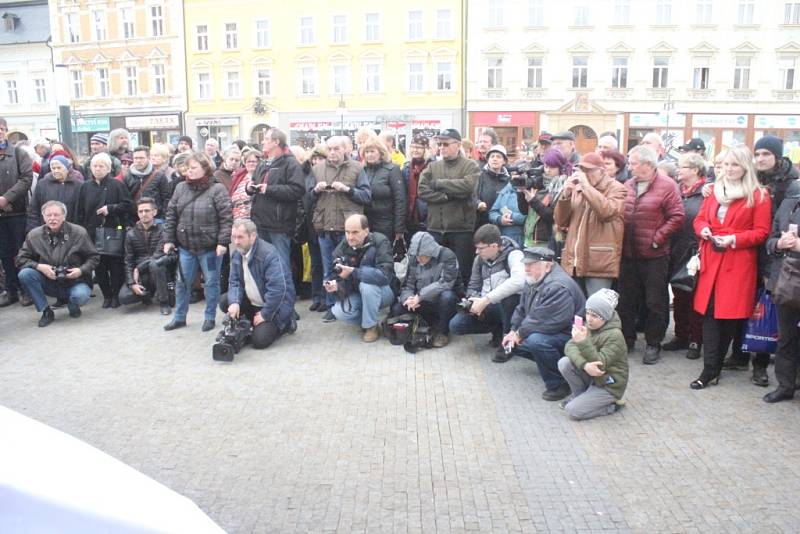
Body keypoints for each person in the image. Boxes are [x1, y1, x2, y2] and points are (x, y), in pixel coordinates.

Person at [690, 146, 771, 390]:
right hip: (712, 258)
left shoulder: (759, 195)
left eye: (734, 165)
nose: (729, 169)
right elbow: (700, 218)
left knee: (726, 317)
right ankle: (710, 369)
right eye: (725, 164)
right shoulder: (713, 191)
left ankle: (711, 369)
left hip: (737, 262)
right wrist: (703, 229)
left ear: (745, 166)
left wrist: (734, 239)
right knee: (710, 314)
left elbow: (761, 231)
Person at [722, 135, 799, 385]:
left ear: (777, 156)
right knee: (744, 305)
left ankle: (761, 364)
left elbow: (781, 222)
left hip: (775, 255)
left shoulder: (790, 184)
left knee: (766, 310)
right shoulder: (750, 177)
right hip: (750, 250)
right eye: (757, 154)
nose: (760, 158)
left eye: (766, 154)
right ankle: (740, 354)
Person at [617, 146, 684, 364]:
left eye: (633, 163)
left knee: (655, 301)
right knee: (626, 300)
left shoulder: (667, 186)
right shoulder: (628, 185)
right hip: (628, 253)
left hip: (655, 255)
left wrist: (657, 238)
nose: (629, 167)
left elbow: (677, 216)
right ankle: (627, 340)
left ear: (647, 164)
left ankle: (653, 343)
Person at [502, 247, 586, 401]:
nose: (526, 268)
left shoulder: (557, 286)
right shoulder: (533, 278)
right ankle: (553, 364)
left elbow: (547, 322)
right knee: (510, 343)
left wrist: (520, 334)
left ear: (547, 266)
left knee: (536, 341)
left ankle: (560, 384)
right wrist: (513, 330)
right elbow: (521, 309)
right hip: (551, 329)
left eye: (531, 264)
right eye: (525, 264)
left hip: (571, 334)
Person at [163, 153, 233, 332]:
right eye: (187, 168)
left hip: (209, 248)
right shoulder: (180, 188)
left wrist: (222, 242)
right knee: (182, 282)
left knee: (211, 283)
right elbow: (171, 215)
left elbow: (226, 218)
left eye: (193, 168)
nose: (189, 171)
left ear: (205, 168)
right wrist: (169, 239)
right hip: (186, 247)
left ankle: (209, 317)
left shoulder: (217, 190)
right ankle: (179, 317)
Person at [311, 136, 371, 322]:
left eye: (336, 148)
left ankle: (351, 303)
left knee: (349, 268)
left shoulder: (357, 168)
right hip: (324, 227)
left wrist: (347, 189)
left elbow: (367, 196)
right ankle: (331, 306)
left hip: (348, 229)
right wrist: (315, 191)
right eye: (329, 149)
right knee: (328, 269)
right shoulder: (318, 169)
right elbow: (306, 198)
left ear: (345, 149)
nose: (333, 152)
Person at [16, 200, 99, 326]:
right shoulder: (34, 235)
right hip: (49, 281)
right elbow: (20, 259)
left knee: (80, 295)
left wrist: (81, 270)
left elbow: (94, 257)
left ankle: (73, 305)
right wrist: (39, 266)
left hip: (76, 281)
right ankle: (46, 311)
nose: (52, 218)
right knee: (25, 274)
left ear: (64, 216)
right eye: (48, 215)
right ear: (43, 217)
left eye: (56, 215)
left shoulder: (79, 232)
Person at [555, 152, 627, 296]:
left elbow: (607, 212)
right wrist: (566, 195)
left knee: (597, 310)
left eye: (588, 170)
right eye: (582, 170)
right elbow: (560, 221)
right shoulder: (578, 189)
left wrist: (587, 188)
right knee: (576, 310)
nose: (584, 174)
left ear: (602, 171)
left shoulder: (617, 188)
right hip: (574, 260)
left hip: (599, 262)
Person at [449, 224, 524, 361]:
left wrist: (486, 300)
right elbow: (474, 285)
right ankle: (497, 328)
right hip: (487, 305)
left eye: (480, 248)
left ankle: (508, 343)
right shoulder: (479, 260)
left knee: (510, 300)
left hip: (509, 307)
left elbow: (519, 281)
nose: (477, 252)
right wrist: (473, 301)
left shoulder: (514, 255)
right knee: (456, 325)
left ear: (494, 246)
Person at [218, 219, 296, 350]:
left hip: (274, 308)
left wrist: (265, 314)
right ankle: (248, 324)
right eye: (234, 237)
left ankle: (286, 324)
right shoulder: (237, 254)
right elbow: (234, 281)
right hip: (253, 302)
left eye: (240, 237)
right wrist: (235, 302)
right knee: (225, 301)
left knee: (259, 341)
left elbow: (278, 290)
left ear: (253, 236)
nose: (236, 242)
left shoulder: (268, 255)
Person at [417, 128, 481, 284]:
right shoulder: (433, 167)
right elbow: (422, 190)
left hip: (461, 229)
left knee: (461, 273)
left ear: (458, 144)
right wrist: (446, 196)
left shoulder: (471, 166)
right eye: (440, 144)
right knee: (435, 273)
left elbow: (468, 187)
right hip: (435, 229)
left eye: (445, 144)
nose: (441, 147)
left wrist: (439, 184)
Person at [558, 288, 628, 420]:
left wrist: (582, 342)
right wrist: (584, 365)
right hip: (592, 377)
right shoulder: (592, 326)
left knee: (573, 411)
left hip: (609, 384)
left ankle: (612, 405)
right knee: (564, 363)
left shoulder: (615, 336)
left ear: (605, 317)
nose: (589, 319)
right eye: (588, 313)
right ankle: (580, 397)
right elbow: (569, 346)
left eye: (594, 316)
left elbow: (600, 365)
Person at [663, 153, 707, 359]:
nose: (678, 170)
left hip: (695, 251)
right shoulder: (678, 191)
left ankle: (695, 339)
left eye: (683, 167)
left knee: (695, 297)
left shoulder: (707, 191)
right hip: (676, 249)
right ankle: (680, 335)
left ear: (695, 170)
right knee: (679, 294)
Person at [75, 152, 133, 309]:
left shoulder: (117, 185)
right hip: (92, 233)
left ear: (108, 169)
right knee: (98, 266)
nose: (97, 169)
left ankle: (115, 295)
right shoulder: (85, 186)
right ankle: (106, 295)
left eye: (101, 166)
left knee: (115, 265)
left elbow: (129, 205)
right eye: (95, 166)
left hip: (113, 231)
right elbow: (79, 212)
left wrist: (112, 208)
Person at [326, 214, 396, 342]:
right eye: (347, 232)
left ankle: (371, 327)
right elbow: (335, 274)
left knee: (367, 285)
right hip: (357, 291)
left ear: (366, 231)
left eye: (355, 232)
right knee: (339, 311)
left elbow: (384, 275)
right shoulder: (342, 247)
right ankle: (368, 320)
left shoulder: (380, 241)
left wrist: (354, 271)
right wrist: (336, 285)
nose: (350, 237)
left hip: (385, 291)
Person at [248, 128, 306, 271]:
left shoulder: (290, 163)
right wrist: (250, 188)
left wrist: (269, 189)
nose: (263, 141)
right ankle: (269, 293)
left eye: (267, 139)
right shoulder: (263, 162)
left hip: (280, 225)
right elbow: (255, 182)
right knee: (264, 265)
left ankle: (285, 293)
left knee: (281, 265)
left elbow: (297, 190)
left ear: (276, 142)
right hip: (261, 222)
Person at [763, 180, 800, 403]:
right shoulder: (790, 201)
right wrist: (779, 244)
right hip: (787, 279)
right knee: (785, 336)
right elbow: (771, 239)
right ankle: (785, 386)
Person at [392, 231, 461, 348]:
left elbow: (446, 283)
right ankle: (420, 325)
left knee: (447, 297)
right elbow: (408, 285)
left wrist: (420, 296)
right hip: (420, 302)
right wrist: (408, 298)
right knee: (397, 309)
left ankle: (442, 332)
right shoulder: (414, 259)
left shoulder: (447, 256)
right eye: (416, 256)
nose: (418, 259)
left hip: (441, 303)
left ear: (431, 252)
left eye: (421, 256)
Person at [119, 197, 175, 315]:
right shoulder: (131, 234)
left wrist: (138, 268)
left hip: (161, 271)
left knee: (156, 264)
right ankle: (148, 294)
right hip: (143, 275)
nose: (143, 214)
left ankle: (163, 302)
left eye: (147, 211)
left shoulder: (164, 230)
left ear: (154, 212)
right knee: (124, 297)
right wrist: (132, 283)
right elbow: (128, 260)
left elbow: (158, 255)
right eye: (140, 211)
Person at [0, 117, 34, 307]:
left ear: (5, 131)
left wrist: (6, 198)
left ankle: (24, 290)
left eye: (1, 129)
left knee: (19, 252)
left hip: (17, 213)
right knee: (3, 253)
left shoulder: (19, 153)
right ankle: (10, 290)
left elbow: (26, 178)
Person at [517, 148, 568, 251]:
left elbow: (553, 216)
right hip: (529, 238)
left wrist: (533, 200)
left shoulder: (563, 187)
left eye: (552, 167)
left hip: (546, 241)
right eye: (546, 166)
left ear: (560, 168)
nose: (548, 170)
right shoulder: (538, 183)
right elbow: (524, 211)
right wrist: (521, 193)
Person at [361, 138, 406, 243]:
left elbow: (400, 199)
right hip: (367, 222)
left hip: (386, 223)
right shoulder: (363, 170)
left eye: (372, 151)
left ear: (380, 152)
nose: (369, 155)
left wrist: (399, 227)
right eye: (367, 152)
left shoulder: (392, 170)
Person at [301, 145, 328, 312]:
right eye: (314, 159)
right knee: (316, 263)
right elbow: (305, 199)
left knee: (326, 263)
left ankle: (326, 297)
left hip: (326, 223)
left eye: (320, 159)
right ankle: (316, 295)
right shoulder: (307, 175)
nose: (317, 162)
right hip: (312, 224)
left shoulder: (327, 174)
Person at [27, 155, 84, 232]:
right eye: (53, 168)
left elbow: (82, 211)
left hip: (71, 230)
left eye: (59, 168)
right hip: (47, 229)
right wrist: (34, 229)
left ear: (67, 169)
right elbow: (34, 209)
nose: (56, 170)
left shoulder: (78, 185)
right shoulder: (42, 184)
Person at [124, 146, 171, 219]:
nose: (138, 161)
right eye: (136, 158)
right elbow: (125, 199)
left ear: (148, 158)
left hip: (155, 218)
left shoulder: (159, 176)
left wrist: (162, 216)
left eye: (141, 158)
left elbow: (166, 198)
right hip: (134, 219)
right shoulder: (128, 176)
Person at [402, 135, 431, 236]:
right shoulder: (406, 167)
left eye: (418, 147)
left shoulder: (432, 167)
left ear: (425, 149)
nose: (415, 150)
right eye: (413, 147)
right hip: (409, 216)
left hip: (426, 216)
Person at [476, 145, 511, 230]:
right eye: (492, 156)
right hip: (481, 223)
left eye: (498, 157)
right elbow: (472, 195)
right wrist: (478, 203)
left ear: (504, 161)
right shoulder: (479, 176)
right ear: (488, 160)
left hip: (501, 224)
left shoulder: (508, 180)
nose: (495, 159)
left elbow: (510, 201)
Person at [488, 166, 526, 245]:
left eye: (519, 174)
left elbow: (530, 217)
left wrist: (511, 216)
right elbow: (493, 212)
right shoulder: (505, 190)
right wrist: (499, 219)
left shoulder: (529, 192)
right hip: (503, 237)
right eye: (513, 174)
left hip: (522, 237)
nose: (516, 177)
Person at [230, 148, 260, 220]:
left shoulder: (262, 177)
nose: (251, 163)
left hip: (254, 219)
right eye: (248, 161)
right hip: (237, 218)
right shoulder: (238, 177)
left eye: (254, 161)